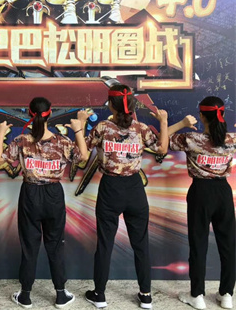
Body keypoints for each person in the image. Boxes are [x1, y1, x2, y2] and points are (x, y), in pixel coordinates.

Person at [0, 97, 89, 309]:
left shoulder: (21, 141)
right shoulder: (62, 141)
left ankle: (25, 295)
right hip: (53, 194)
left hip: (30, 194)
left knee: (29, 245)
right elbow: (83, 156)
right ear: (50, 114)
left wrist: (0, 134)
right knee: (55, 245)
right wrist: (78, 129)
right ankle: (61, 295)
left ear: (29, 114)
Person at [81, 84, 168, 309]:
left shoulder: (102, 127)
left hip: (110, 188)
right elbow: (161, 149)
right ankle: (146, 296)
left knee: (105, 244)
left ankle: (99, 295)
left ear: (111, 104)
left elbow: (82, 152)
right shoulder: (141, 128)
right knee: (141, 244)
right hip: (134, 188)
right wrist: (164, 122)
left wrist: (80, 126)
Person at [168, 96, 236, 310]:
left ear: (201, 116)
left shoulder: (191, 138)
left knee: (198, 244)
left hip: (201, 192)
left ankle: (197, 295)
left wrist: (181, 124)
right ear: (222, 114)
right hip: (224, 192)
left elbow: (162, 140)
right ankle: (227, 294)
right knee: (229, 245)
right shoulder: (232, 139)